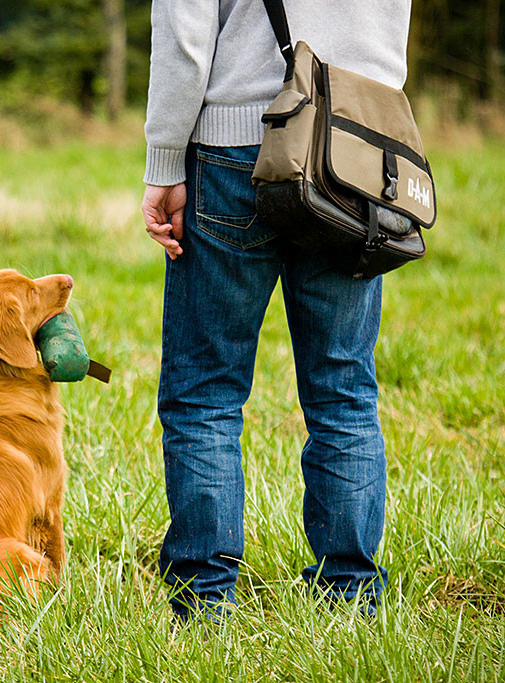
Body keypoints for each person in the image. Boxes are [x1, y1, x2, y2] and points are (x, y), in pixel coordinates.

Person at [141, 0, 411, 621]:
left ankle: (203, 601)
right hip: (356, 147)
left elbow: (185, 28)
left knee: (204, 391)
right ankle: (349, 598)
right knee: (344, 389)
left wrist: (164, 159)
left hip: (237, 145)